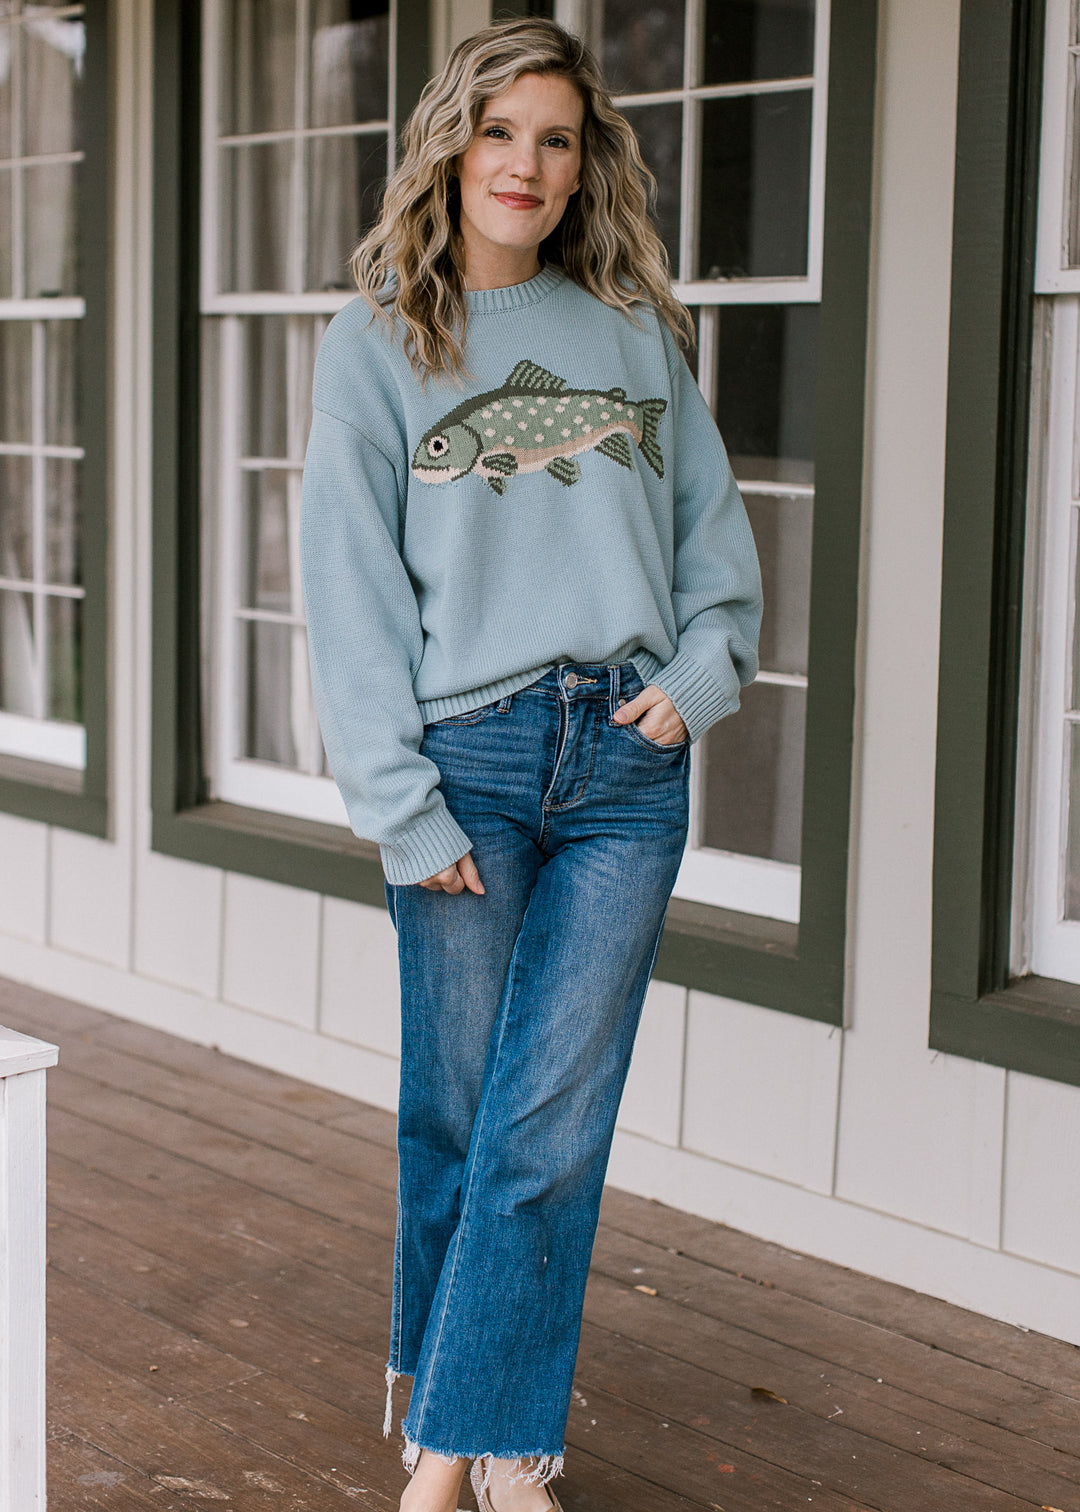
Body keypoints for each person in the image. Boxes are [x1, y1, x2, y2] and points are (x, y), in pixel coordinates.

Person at [299, 17, 762, 1512]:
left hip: (629, 762)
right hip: (468, 763)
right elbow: (347, 585)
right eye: (503, 131)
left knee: (549, 1122)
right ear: (452, 141)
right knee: (459, 1113)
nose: (528, 165)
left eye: (557, 140)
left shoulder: (632, 333)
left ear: (585, 165)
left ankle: (448, 1455)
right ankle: (495, 1442)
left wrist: (699, 682)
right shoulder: (376, 339)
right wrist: (396, 800)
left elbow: (718, 553)